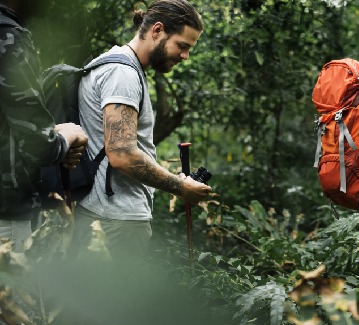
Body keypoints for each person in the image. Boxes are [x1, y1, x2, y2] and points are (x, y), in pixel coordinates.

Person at [72, 0, 210, 259]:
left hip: (104, 215)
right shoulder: (122, 74)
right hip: (117, 221)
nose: (185, 56)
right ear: (157, 30)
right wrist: (180, 188)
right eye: (182, 46)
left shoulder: (117, 65)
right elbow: (122, 154)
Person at [0, 0, 88, 252]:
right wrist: (68, 135)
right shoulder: (9, 38)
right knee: (15, 290)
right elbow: (38, 145)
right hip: (7, 213)